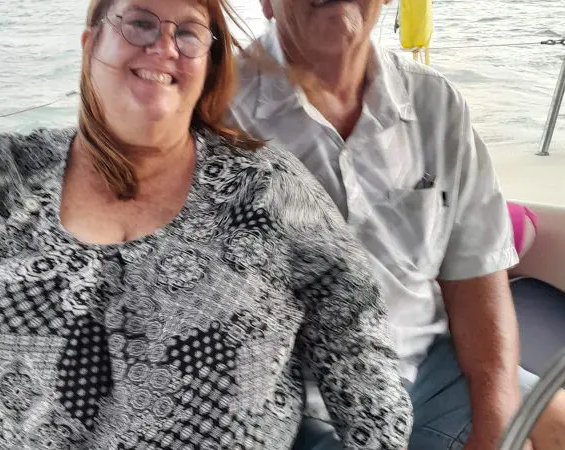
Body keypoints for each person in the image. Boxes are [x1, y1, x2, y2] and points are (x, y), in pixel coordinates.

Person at [0, 0, 413, 448]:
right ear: (91, 46)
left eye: (191, 33)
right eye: (139, 22)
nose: (165, 45)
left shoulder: (267, 186)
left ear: (208, 64)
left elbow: (354, 337)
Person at [229, 0, 565, 449]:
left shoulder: (435, 104)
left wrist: (497, 421)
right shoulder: (215, 111)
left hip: (431, 368)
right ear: (266, 4)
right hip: (294, 407)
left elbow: (476, 280)